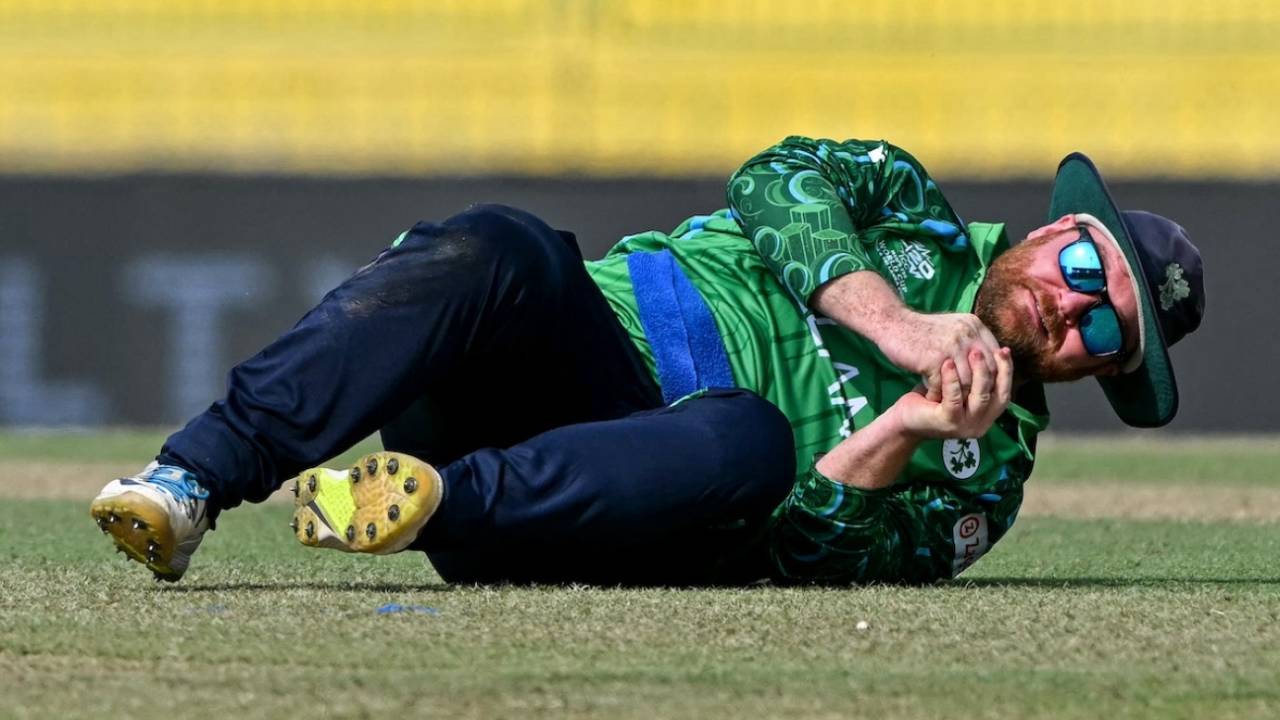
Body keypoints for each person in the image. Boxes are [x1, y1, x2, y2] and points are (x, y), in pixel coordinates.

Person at [90, 137, 1204, 585]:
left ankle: (420, 503)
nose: (1068, 308)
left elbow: (796, 563)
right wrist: (892, 323)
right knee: (504, 243)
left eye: (1100, 331)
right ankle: (188, 483)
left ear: (1092, 373)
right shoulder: (903, 203)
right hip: (563, 350)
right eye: (1079, 263)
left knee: (751, 439)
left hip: (586, 500)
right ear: (1049, 229)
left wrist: (899, 430)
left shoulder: (984, 476)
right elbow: (775, 181)